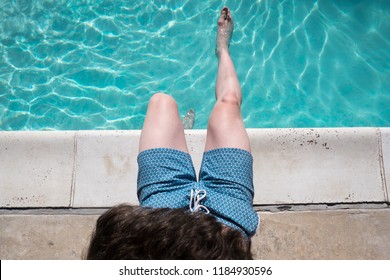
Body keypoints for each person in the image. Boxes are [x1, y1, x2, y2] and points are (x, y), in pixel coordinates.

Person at [86, 7, 259, 260]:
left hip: (163, 212)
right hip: (227, 215)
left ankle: (181, 139)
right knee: (228, 103)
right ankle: (223, 49)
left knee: (161, 103)